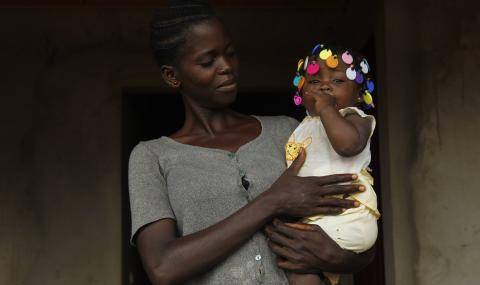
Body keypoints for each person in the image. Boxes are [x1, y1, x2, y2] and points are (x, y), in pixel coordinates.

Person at [128, 1, 374, 284]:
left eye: (230, 54)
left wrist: (337, 256)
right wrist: (272, 201)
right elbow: (162, 267)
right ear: (172, 76)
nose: (227, 68)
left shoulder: (290, 132)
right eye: (208, 61)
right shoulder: (152, 157)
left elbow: (355, 221)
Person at [284, 43, 380, 285]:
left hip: (347, 216)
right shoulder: (304, 126)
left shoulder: (355, 119)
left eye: (337, 81)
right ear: (302, 89)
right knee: (299, 271)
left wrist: (326, 108)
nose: (325, 86)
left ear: (358, 94)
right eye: (315, 82)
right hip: (317, 219)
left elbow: (347, 145)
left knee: (300, 262)